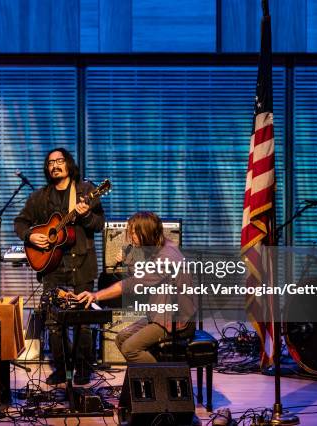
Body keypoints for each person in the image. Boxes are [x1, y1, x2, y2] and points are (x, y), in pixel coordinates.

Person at [14, 148, 105, 385]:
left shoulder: (86, 191)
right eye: (50, 162)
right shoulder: (40, 197)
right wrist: (30, 237)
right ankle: (62, 367)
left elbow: (99, 225)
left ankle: (84, 368)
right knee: (54, 322)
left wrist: (84, 216)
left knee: (83, 320)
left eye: (59, 161)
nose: (55, 165)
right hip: (51, 268)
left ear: (69, 164)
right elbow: (20, 222)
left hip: (82, 264)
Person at [76, 211, 195, 363]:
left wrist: (96, 295)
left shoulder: (167, 257)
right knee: (121, 338)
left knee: (130, 348)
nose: (131, 237)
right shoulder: (156, 247)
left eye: (134, 233)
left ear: (147, 233)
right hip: (158, 314)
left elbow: (131, 284)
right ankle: (140, 383)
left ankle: (161, 380)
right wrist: (128, 258)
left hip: (175, 322)